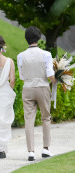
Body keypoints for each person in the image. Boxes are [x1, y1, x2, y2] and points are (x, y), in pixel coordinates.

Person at [17, 26, 56, 161]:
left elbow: (22, 76)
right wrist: (56, 80)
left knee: (29, 120)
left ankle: (31, 151)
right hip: (43, 87)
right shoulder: (46, 54)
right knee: (46, 118)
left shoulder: (20, 55)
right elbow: (50, 74)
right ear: (38, 38)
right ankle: (45, 149)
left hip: (27, 88)